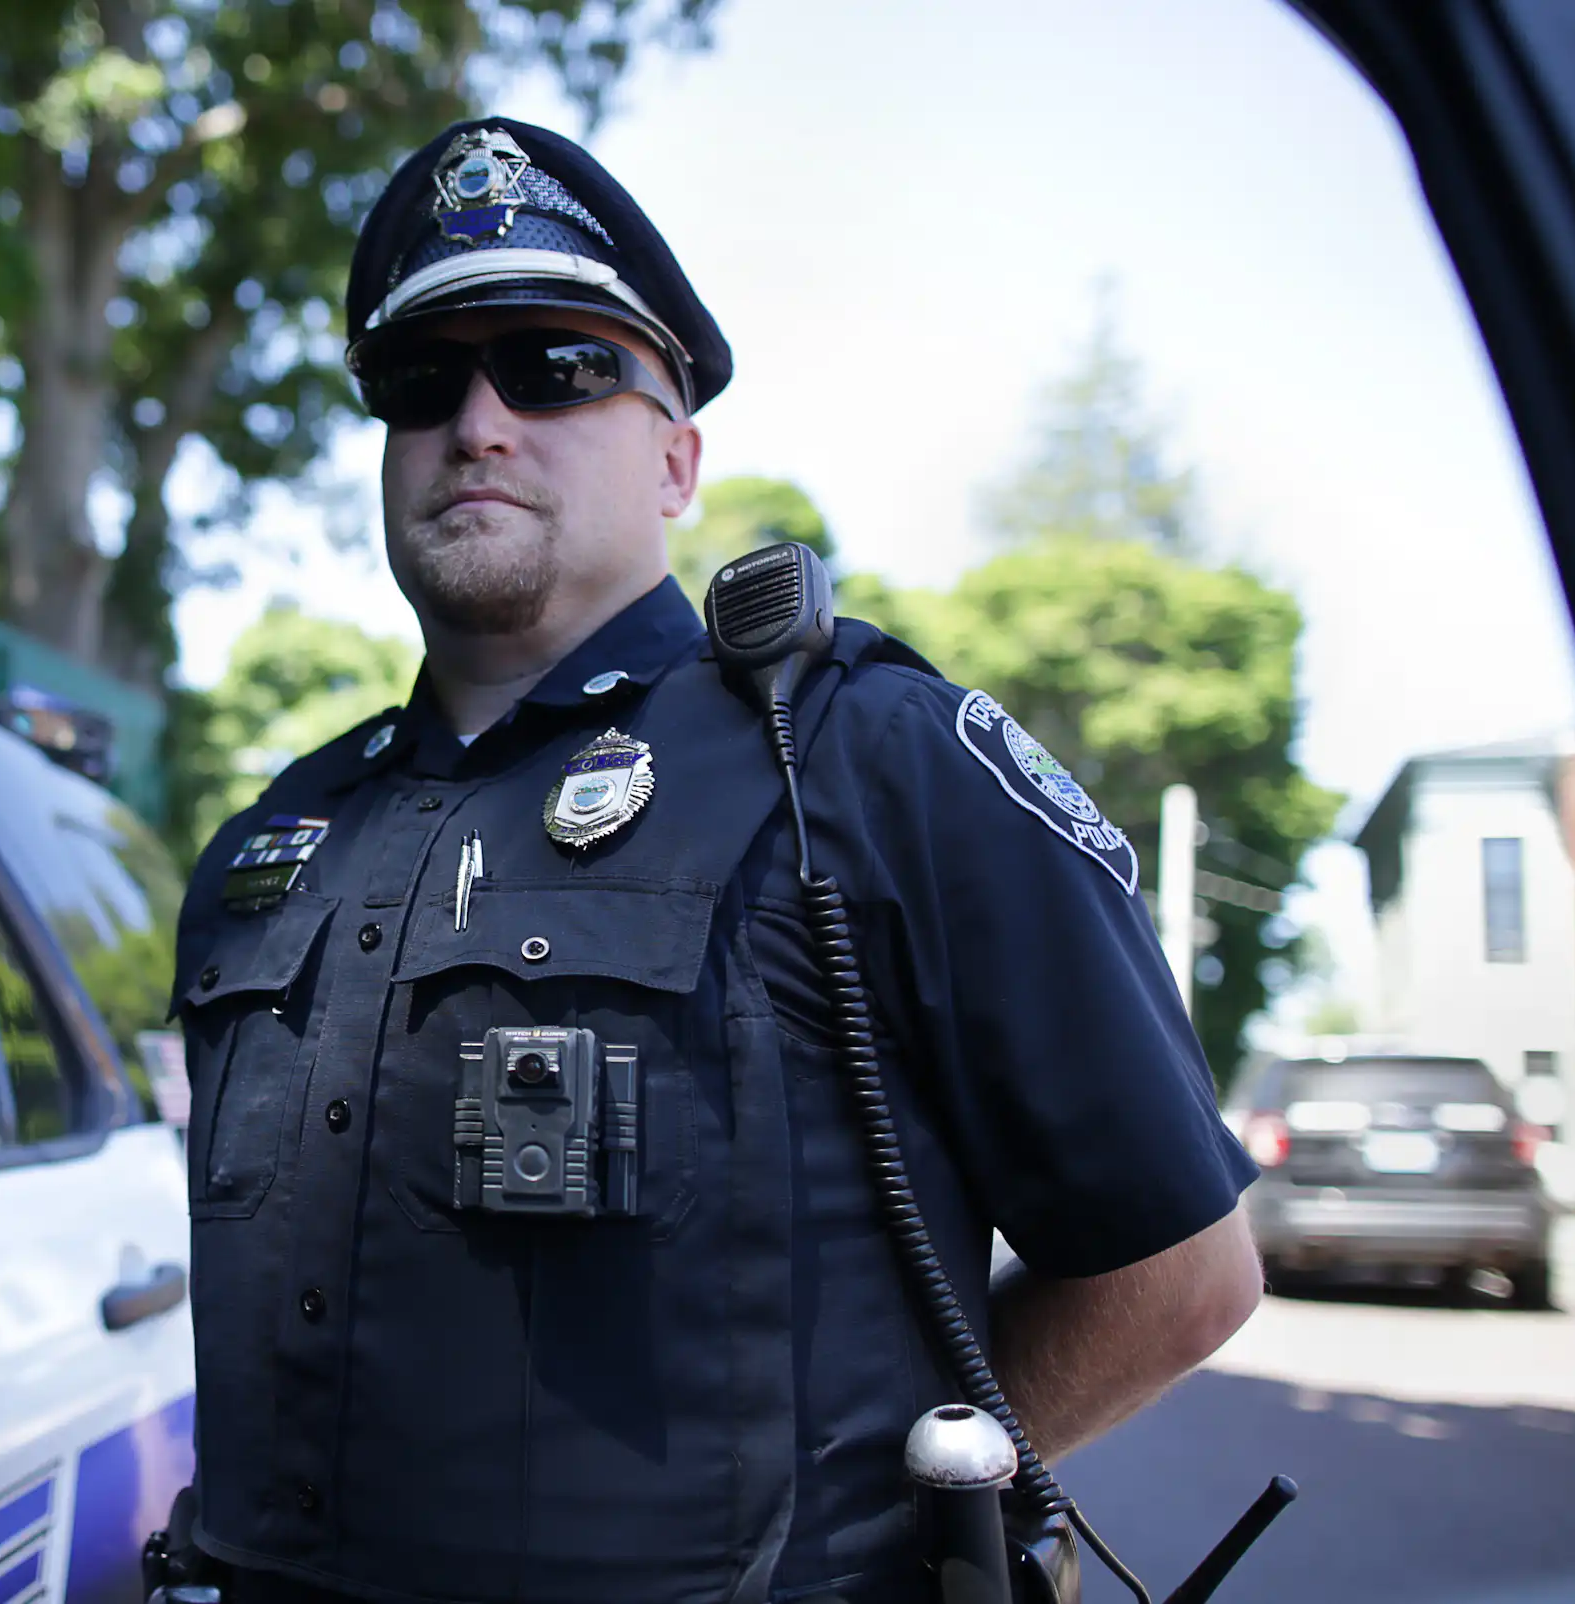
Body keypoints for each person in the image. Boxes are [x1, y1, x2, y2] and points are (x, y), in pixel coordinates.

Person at [165, 116, 1263, 1604]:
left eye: (555, 368)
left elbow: (1179, 1275)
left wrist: (895, 1532)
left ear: (678, 460)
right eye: (423, 383)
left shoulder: (869, 758)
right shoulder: (275, 842)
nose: (478, 423)